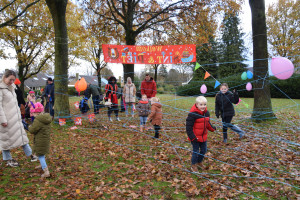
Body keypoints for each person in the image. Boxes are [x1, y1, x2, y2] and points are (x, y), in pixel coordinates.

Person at [0, 70, 38, 167]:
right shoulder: (1, 89)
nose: (12, 82)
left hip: (16, 118)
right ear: (5, 77)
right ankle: (8, 159)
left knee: (22, 136)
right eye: (10, 79)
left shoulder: (12, 88)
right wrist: (2, 120)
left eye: (13, 80)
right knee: (6, 140)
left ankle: (31, 154)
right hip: (6, 120)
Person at [186, 96, 216, 172]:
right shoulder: (192, 114)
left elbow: (208, 123)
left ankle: (199, 162)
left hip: (203, 137)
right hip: (195, 137)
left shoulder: (206, 113)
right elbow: (188, 127)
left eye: (204, 104)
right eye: (201, 104)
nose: (203, 106)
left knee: (203, 150)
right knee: (195, 151)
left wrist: (212, 128)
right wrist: (192, 137)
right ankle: (193, 165)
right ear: (197, 104)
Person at [28, 102, 52, 178]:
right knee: (41, 153)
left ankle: (46, 171)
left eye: (33, 113)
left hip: (40, 140)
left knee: (40, 155)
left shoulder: (38, 120)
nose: (32, 115)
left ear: (37, 112)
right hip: (44, 139)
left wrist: (29, 126)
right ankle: (42, 165)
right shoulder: (46, 118)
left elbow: (32, 130)